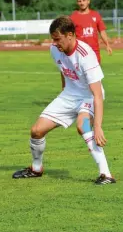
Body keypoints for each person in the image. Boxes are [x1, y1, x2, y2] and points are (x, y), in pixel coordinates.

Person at [12, 16, 115, 185]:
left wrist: (98, 126)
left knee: (83, 125)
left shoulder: (85, 54)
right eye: (53, 39)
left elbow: (97, 94)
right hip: (68, 95)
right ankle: (36, 169)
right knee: (36, 131)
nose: (54, 43)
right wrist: (63, 93)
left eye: (57, 39)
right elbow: (63, 68)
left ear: (70, 35)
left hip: (88, 95)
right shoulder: (55, 50)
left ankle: (106, 174)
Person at [70, 0, 112, 64]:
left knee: (96, 75)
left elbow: (102, 31)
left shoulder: (96, 15)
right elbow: (70, 34)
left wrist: (107, 45)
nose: (82, 3)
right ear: (77, 3)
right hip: (80, 53)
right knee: (81, 75)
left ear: (88, 1)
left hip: (94, 52)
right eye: (79, 1)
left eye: (84, 0)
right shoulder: (73, 17)